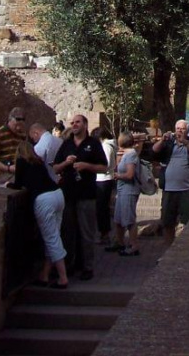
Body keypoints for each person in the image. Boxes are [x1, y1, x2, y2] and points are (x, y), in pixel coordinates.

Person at [53, 114, 108, 280]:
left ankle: (87, 267)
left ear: (85, 124)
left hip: (87, 194)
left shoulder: (93, 144)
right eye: (72, 122)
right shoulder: (66, 144)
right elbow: (55, 168)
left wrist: (87, 166)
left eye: (77, 122)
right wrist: (66, 164)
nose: (74, 125)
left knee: (86, 232)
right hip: (68, 194)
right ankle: (69, 265)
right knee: (68, 232)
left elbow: (104, 168)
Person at [9, 140, 69, 288]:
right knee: (54, 235)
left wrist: (8, 185)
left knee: (51, 238)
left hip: (44, 199)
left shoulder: (21, 162)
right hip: (57, 194)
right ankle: (44, 275)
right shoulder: (38, 161)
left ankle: (63, 278)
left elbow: (17, 184)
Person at [153, 120, 189, 243]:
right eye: (177, 128)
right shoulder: (168, 144)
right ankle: (168, 247)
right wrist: (162, 140)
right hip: (169, 189)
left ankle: (186, 246)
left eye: (182, 129)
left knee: (188, 220)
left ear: (187, 131)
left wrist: (184, 142)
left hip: (186, 190)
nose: (179, 131)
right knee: (167, 221)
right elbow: (154, 151)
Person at [106, 132, 141, 256]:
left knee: (129, 219)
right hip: (122, 190)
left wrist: (118, 176)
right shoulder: (126, 154)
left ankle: (133, 245)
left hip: (129, 190)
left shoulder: (131, 155)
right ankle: (120, 242)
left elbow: (130, 174)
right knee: (118, 218)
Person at [92, 126, 117, 245]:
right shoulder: (108, 145)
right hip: (103, 179)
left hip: (104, 179)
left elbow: (105, 164)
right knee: (101, 208)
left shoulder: (106, 147)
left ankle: (105, 233)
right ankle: (104, 232)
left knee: (102, 208)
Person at [0, 107, 27, 180]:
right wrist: (8, 168)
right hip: (4, 172)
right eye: (16, 125)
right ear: (10, 120)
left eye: (20, 125)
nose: (18, 128)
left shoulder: (22, 134)